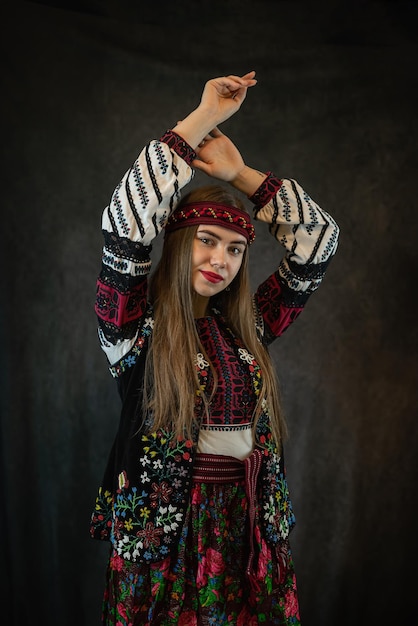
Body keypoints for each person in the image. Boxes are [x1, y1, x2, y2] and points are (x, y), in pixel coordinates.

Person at [90, 71, 339, 625]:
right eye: (206, 240)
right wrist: (203, 119)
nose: (221, 261)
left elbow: (318, 244)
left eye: (234, 250)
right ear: (178, 244)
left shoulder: (246, 326)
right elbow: (126, 226)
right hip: (168, 533)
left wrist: (242, 176)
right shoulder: (132, 328)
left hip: (249, 525)